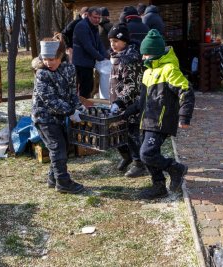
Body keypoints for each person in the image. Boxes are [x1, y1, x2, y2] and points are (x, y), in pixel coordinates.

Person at [124, 29, 195, 199]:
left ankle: (175, 168)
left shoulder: (170, 70)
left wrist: (184, 116)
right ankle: (158, 185)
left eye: (146, 54)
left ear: (155, 53)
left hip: (161, 120)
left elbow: (186, 91)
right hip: (147, 120)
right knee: (147, 154)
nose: (143, 58)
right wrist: (128, 111)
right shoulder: (148, 72)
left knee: (146, 153)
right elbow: (143, 100)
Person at [31, 34, 86, 194]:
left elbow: (72, 93)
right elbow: (50, 100)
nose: (49, 63)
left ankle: (53, 178)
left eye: (53, 59)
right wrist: (70, 111)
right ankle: (63, 181)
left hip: (60, 117)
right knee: (57, 147)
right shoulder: (41, 74)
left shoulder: (69, 69)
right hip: (44, 117)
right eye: (46, 59)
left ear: (61, 56)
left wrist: (78, 108)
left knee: (64, 146)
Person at [108, 23, 147, 177]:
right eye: (111, 41)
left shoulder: (129, 59)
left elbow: (132, 86)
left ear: (125, 41)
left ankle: (139, 163)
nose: (113, 44)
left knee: (131, 133)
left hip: (130, 105)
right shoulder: (116, 57)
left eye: (116, 41)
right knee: (116, 131)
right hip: (117, 103)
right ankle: (127, 156)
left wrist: (119, 102)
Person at [72, 6, 108, 99]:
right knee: (85, 87)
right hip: (81, 62)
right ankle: (82, 107)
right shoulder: (82, 26)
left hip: (88, 62)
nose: (97, 20)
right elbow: (87, 46)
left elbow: (99, 43)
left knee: (89, 86)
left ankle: (85, 105)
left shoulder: (94, 26)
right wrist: (101, 58)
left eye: (99, 18)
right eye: (94, 17)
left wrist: (105, 56)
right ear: (88, 16)